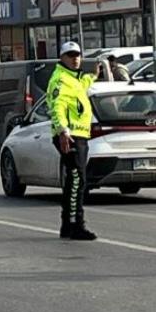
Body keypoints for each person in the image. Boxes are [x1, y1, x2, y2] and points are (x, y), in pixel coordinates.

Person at [46, 42, 101, 241]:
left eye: (77, 55)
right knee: (78, 179)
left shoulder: (75, 79)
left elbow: (83, 85)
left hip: (80, 136)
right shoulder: (60, 80)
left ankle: (67, 225)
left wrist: (94, 75)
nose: (75, 58)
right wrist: (62, 130)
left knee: (74, 179)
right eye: (70, 55)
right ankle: (76, 224)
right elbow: (57, 106)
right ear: (62, 58)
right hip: (69, 136)